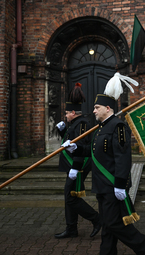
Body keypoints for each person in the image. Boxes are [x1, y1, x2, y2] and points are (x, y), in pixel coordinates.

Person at [62, 72, 145, 255]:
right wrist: (75, 149)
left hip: (112, 185)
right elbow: (93, 152)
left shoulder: (118, 127)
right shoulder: (101, 128)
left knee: (112, 222)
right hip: (101, 185)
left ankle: (142, 244)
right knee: (106, 223)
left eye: (97, 107)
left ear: (108, 108)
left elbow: (123, 158)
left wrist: (120, 184)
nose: (93, 111)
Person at [55, 82, 101, 239]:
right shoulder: (74, 123)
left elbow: (80, 146)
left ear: (74, 112)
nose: (66, 115)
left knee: (70, 197)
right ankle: (71, 228)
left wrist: (75, 167)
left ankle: (97, 219)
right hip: (73, 165)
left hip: (78, 165)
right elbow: (70, 144)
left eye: (67, 113)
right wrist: (62, 132)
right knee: (70, 196)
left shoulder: (82, 124)